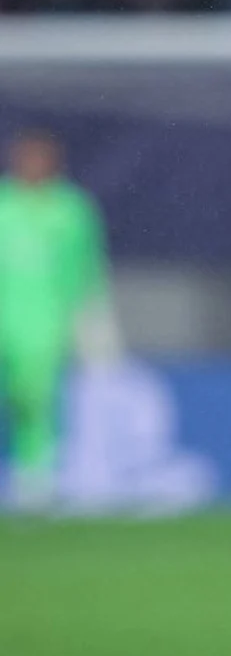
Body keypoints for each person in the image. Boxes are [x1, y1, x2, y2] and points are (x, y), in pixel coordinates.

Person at [0, 132, 114, 510]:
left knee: (35, 398)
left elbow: (88, 268)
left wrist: (93, 320)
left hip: (45, 321)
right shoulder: (4, 204)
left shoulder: (71, 209)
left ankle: (35, 480)